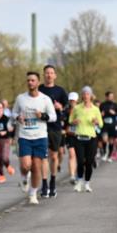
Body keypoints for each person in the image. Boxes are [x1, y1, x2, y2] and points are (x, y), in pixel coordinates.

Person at [12, 72, 56, 205]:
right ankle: (24, 177)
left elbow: (53, 116)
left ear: (38, 82)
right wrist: (18, 117)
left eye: (33, 80)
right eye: (28, 80)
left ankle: (33, 193)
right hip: (25, 136)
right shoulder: (21, 98)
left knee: (36, 167)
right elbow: (13, 112)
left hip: (40, 137)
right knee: (26, 165)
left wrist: (42, 116)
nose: (30, 82)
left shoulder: (45, 99)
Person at [38, 63, 69, 199]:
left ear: (55, 75)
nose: (49, 75)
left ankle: (52, 182)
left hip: (55, 127)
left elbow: (68, 108)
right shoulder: (39, 90)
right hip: (41, 127)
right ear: (43, 75)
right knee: (43, 157)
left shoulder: (61, 91)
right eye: (47, 73)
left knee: (54, 156)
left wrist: (60, 106)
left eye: (51, 73)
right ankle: (44, 184)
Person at [70, 87, 103, 193]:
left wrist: (96, 121)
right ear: (82, 96)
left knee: (88, 162)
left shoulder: (95, 109)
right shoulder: (77, 108)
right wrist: (74, 121)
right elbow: (70, 120)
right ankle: (79, 182)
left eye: (87, 94)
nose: (85, 96)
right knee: (80, 162)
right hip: (79, 138)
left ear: (91, 96)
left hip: (91, 139)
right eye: (84, 94)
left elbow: (101, 124)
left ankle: (87, 183)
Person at [99, 91, 117, 162]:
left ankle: (109, 155)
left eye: (112, 96)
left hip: (113, 125)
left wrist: (114, 113)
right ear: (106, 97)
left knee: (111, 141)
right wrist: (101, 114)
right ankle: (104, 153)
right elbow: (98, 114)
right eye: (110, 96)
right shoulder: (102, 105)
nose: (112, 97)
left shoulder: (115, 105)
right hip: (104, 125)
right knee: (104, 139)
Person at [64, 91, 79, 183]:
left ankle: (78, 174)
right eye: (70, 100)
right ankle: (72, 176)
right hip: (70, 136)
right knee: (72, 154)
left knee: (80, 156)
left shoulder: (82, 110)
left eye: (73, 100)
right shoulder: (65, 111)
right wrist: (66, 129)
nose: (72, 102)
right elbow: (63, 125)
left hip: (81, 135)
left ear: (77, 100)